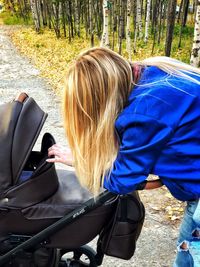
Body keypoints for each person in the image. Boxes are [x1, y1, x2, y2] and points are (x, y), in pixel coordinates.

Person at [47, 47, 200, 266]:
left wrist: (83, 163)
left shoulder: (145, 111)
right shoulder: (153, 71)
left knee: (189, 260)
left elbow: (122, 181)